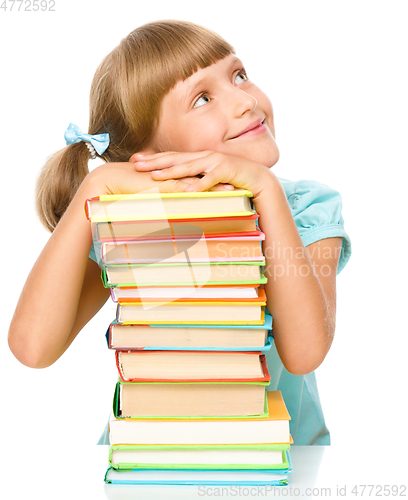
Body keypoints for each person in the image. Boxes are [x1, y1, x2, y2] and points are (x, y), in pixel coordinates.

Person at [8, 20, 351, 446]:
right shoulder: (145, 227)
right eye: (203, 98)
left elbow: (304, 353)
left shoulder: (306, 209)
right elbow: (33, 348)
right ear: (153, 156)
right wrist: (94, 188)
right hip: (153, 465)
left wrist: (264, 189)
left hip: (284, 466)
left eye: (239, 75)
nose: (245, 100)